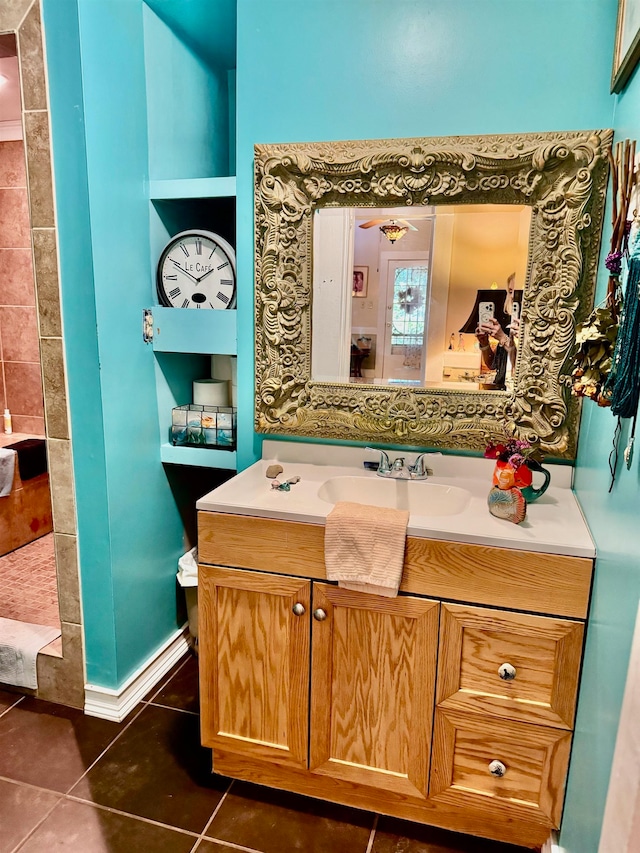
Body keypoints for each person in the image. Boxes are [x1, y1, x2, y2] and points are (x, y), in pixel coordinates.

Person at [475, 316, 520, 390]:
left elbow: (524, 366)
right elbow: (492, 364)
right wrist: (485, 344)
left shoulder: (527, 331)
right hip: (499, 389)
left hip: (517, 391)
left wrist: (503, 338)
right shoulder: (506, 330)